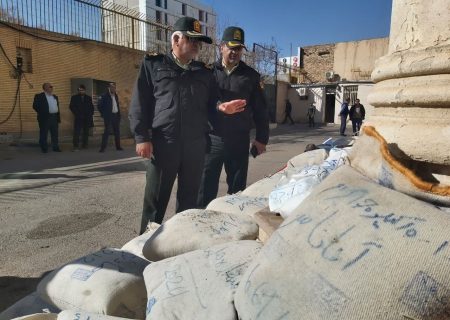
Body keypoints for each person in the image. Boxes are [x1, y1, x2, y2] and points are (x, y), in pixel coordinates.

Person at [129, 17, 244, 234]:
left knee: (189, 201)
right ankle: (144, 245)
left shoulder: (204, 72)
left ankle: (180, 241)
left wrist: (222, 108)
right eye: (191, 40)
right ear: (176, 38)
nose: (196, 45)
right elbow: (140, 103)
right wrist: (141, 137)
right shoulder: (153, 65)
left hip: (195, 145)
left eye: (198, 42)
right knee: (155, 201)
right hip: (165, 143)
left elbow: (213, 101)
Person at [197, 26, 270, 208]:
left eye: (239, 49)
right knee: (205, 186)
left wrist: (261, 139)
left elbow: (261, 109)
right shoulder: (208, 72)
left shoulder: (251, 76)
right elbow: (199, 103)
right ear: (221, 47)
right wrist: (218, 107)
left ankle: (231, 225)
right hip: (212, 139)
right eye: (231, 47)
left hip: (239, 139)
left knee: (237, 190)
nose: (235, 52)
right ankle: (201, 223)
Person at [32, 83, 61, 153]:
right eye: (50, 86)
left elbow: (57, 107)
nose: (52, 88)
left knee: (55, 133)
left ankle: (55, 147)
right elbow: (35, 106)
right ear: (45, 88)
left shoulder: (55, 96)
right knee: (43, 133)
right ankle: (44, 148)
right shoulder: (39, 96)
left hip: (54, 117)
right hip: (45, 118)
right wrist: (43, 113)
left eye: (52, 86)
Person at [98, 82, 122, 152]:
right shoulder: (104, 95)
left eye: (114, 87)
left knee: (117, 132)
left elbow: (117, 106)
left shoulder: (116, 96)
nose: (113, 88)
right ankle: (102, 148)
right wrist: (104, 114)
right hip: (108, 116)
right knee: (107, 131)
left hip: (116, 115)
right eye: (111, 87)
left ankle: (118, 147)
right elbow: (99, 106)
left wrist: (119, 115)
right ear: (108, 88)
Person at [69, 84, 94, 150]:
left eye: (82, 90)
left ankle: (85, 145)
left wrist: (90, 114)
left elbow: (91, 107)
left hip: (87, 118)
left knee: (86, 132)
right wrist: (77, 114)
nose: (81, 91)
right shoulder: (74, 97)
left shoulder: (88, 98)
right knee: (77, 132)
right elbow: (71, 106)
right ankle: (75, 146)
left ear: (84, 90)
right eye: (79, 90)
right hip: (78, 117)